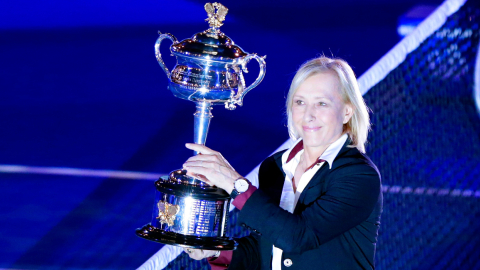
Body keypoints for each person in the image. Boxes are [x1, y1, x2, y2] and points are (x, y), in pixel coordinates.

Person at [182, 56, 383, 269]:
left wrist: (235, 184)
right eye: (300, 102)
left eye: (322, 103)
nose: (308, 115)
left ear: (346, 112)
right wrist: (215, 249)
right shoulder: (275, 167)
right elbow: (269, 248)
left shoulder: (358, 176)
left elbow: (299, 236)